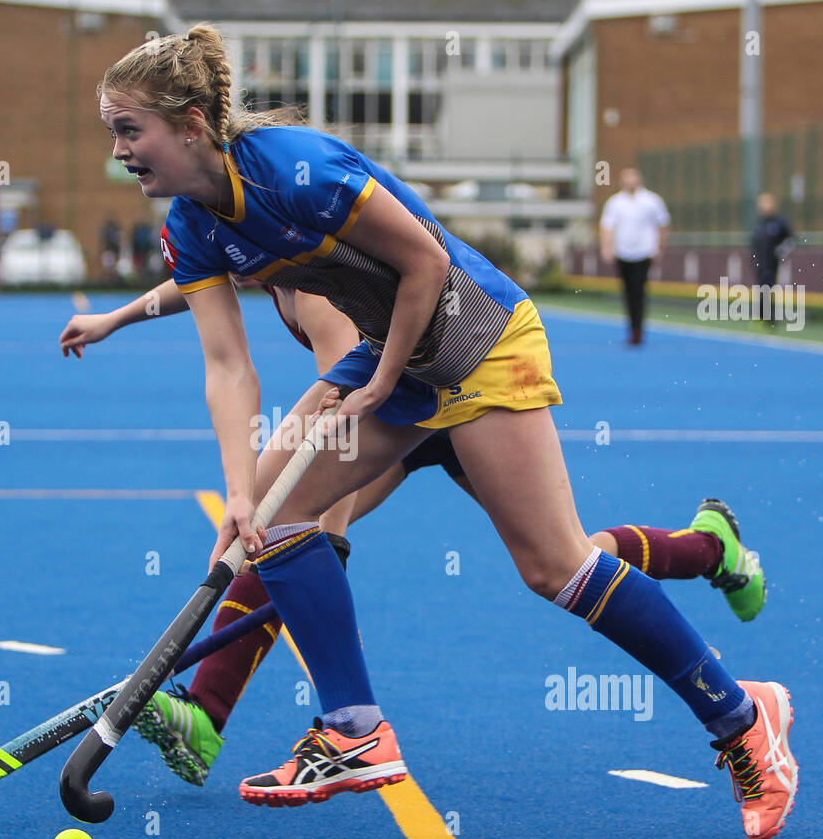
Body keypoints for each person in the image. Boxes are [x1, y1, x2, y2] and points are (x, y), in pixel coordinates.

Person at [94, 24, 796, 839]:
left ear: (189, 124)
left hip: (478, 342)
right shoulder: (192, 223)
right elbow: (227, 367)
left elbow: (426, 261)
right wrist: (242, 489)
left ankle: (745, 718)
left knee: (557, 568)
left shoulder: (298, 171)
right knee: (280, 521)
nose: (118, 151)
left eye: (128, 129)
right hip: (388, 356)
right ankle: (355, 731)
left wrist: (384, 378)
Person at [61, 278, 766, 785]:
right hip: (404, 407)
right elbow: (197, 280)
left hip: (441, 405)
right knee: (274, 536)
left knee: (558, 560)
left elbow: (339, 414)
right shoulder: (259, 260)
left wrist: (315, 534)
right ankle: (208, 712)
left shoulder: (317, 294)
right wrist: (118, 318)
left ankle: (710, 547)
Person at [599, 168, 670, 346]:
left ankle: (638, 330)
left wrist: (660, 248)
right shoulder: (615, 202)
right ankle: (632, 327)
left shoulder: (652, 201)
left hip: (644, 252)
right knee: (628, 291)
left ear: (640, 179)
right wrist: (606, 247)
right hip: (622, 253)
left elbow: (663, 224)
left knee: (639, 291)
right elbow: (607, 226)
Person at [749, 193, 794, 324]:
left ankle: (769, 318)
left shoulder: (779, 222)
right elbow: (754, 245)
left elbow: (791, 239)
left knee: (768, 288)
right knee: (762, 289)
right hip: (760, 263)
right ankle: (761, 316)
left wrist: (781, 252)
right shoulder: (758, 224)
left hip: (772, 264)